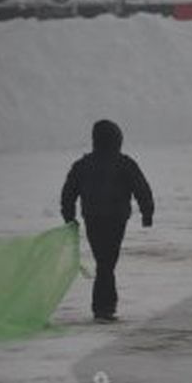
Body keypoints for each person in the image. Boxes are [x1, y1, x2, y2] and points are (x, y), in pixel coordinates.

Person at [59, 119, 155, 323]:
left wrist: (69, 216)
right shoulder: (125, 163)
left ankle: (104, 307)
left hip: (92, 218)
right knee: (106, 262)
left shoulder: (82, 165)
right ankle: (104, 307)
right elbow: (142, 189)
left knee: (104, 261)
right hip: (116, 219)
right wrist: (147, 213)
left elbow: (68, 192)